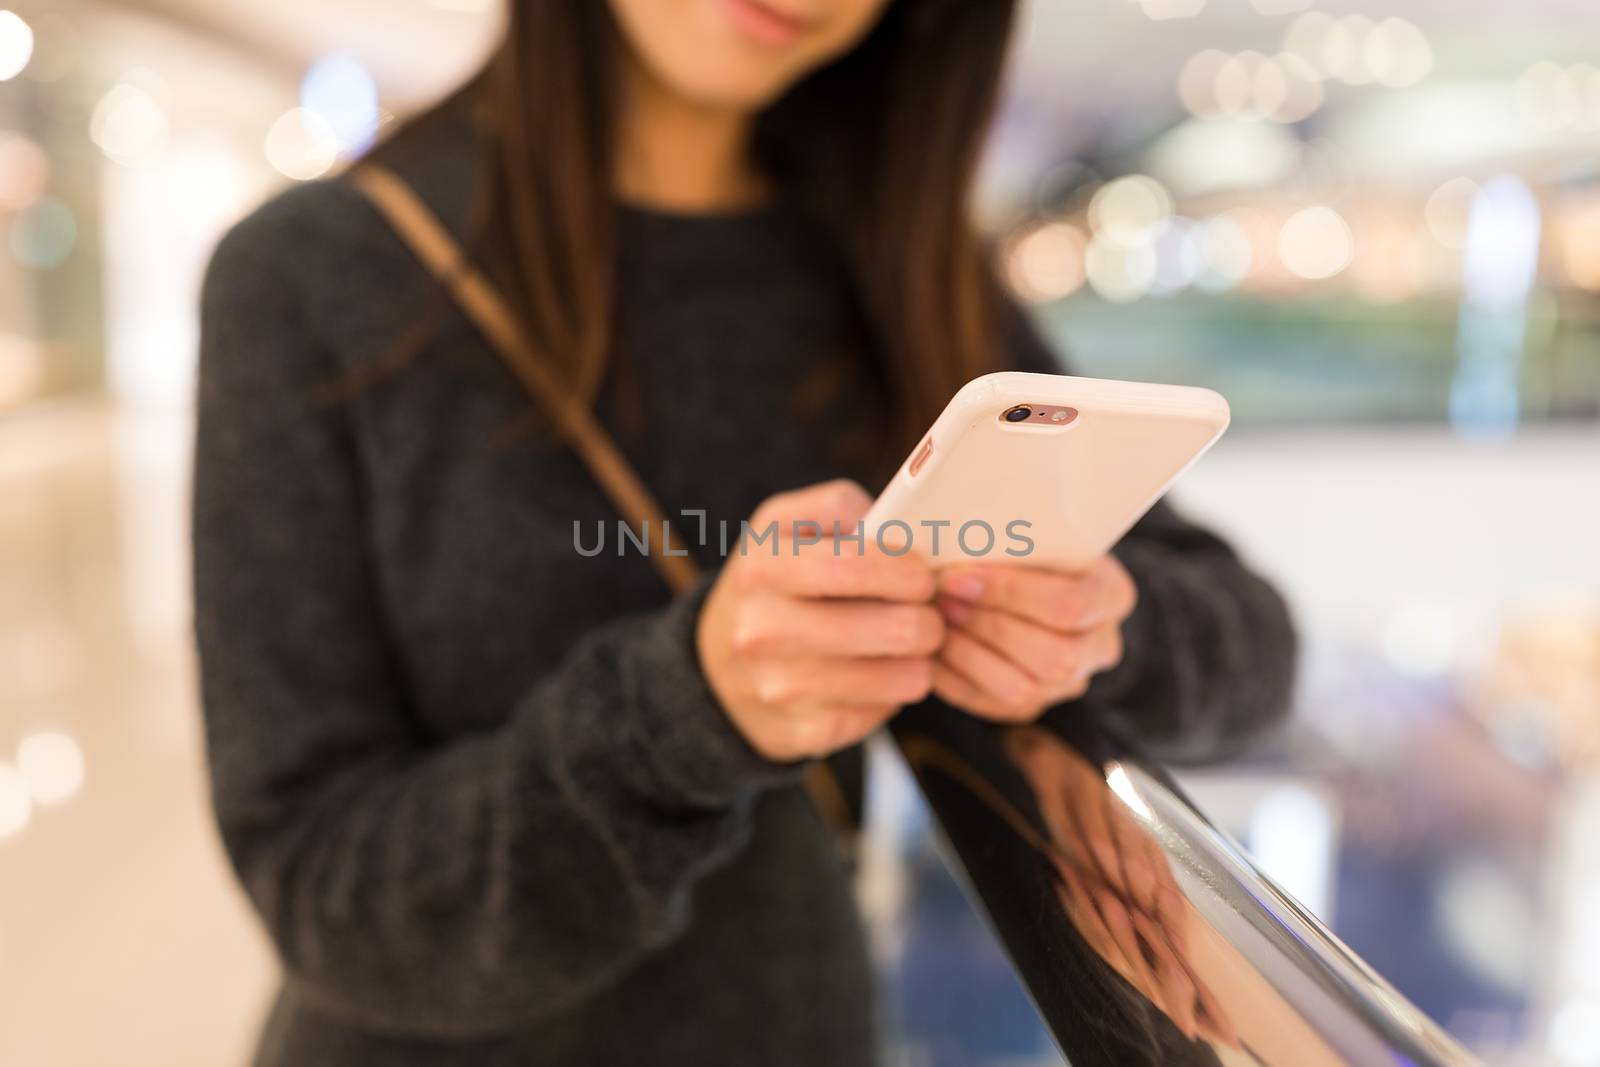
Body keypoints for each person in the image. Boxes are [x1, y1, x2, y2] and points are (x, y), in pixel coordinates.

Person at [192, 0, 1297, 1063]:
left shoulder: (895, 261)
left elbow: (1252, 643)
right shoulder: (313, 278)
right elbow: (321, 882)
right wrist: (689, 710)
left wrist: (1091, 629)